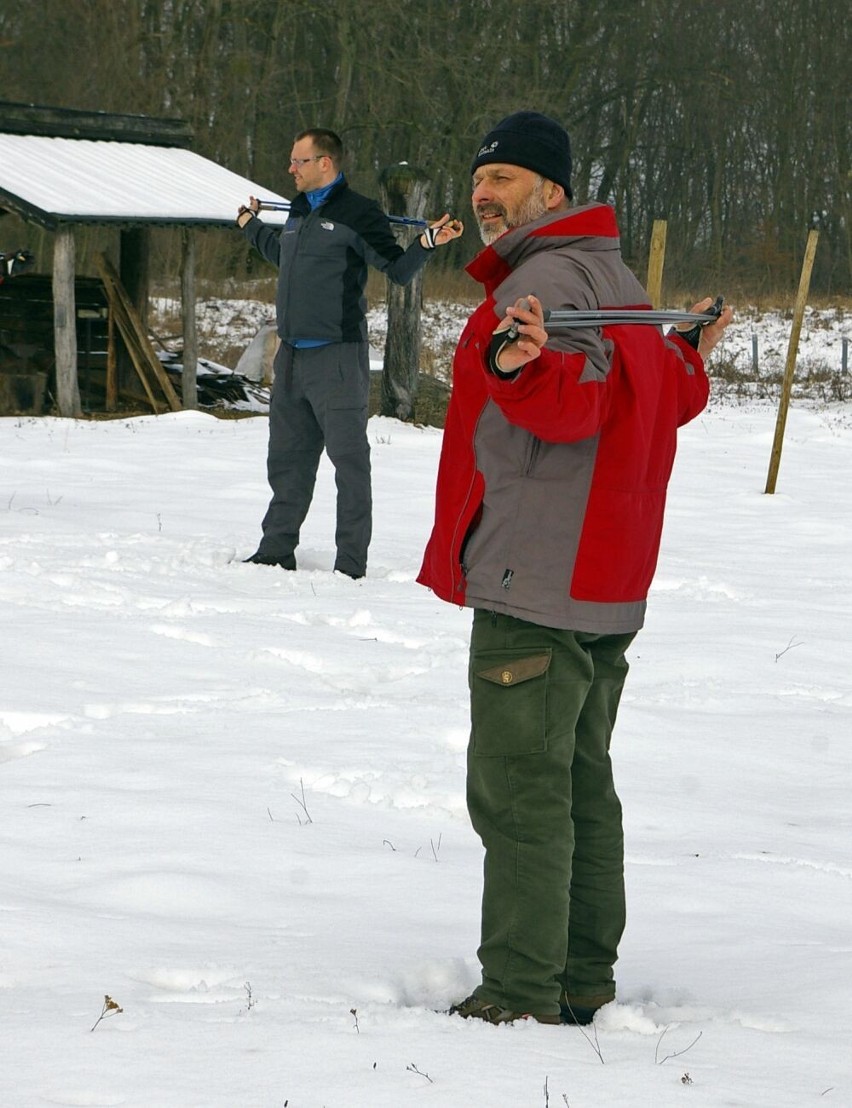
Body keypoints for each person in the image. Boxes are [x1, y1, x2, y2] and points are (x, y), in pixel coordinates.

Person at [417, 111, 733, 1025]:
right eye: (481, 180)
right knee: (579, 784)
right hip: (602, 583)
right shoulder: (615, 277)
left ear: (552, 193)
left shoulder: (547, 279)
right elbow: (658, 398)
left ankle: (519, 994)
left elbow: (576, 406)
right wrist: (687, 359)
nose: (486, 194)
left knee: (520, 792)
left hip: (537, 579)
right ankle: (581, 976)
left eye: (507, 180)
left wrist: (522, 371)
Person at [237, 128, 462, 579]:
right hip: (292, 358)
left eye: (299, 161)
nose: (290, 169)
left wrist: (427, 243)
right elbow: (288, 262)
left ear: (326, 163)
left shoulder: (359, 213)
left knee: (349, 463)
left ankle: (350, 564)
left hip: (337, 359)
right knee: (286, 459)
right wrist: (251, 226)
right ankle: (276, 550)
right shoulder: (299, 212)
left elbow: (396, 269)